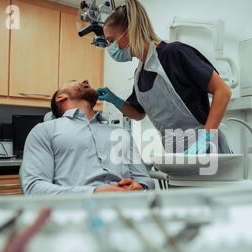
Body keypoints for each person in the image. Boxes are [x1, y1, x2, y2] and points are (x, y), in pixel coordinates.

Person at [96, 0, 232, 154]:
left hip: (209, 152)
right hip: (177, 157)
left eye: (111, 41)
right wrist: (115, 100)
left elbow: (223, 91)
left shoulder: (174, 54)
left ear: (129, 31)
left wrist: (206, 139)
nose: (110, 48)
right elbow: (138, 114)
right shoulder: (139, 74)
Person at [21, 80, 155, 195]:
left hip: (125, 210)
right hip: (77, 213)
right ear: (61, 98)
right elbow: (34, 188)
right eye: (74, 81)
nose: (85, 80)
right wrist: (96, 193)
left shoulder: (122, 133)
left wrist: (140, 187)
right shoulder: (45, 131)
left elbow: (145, 180)